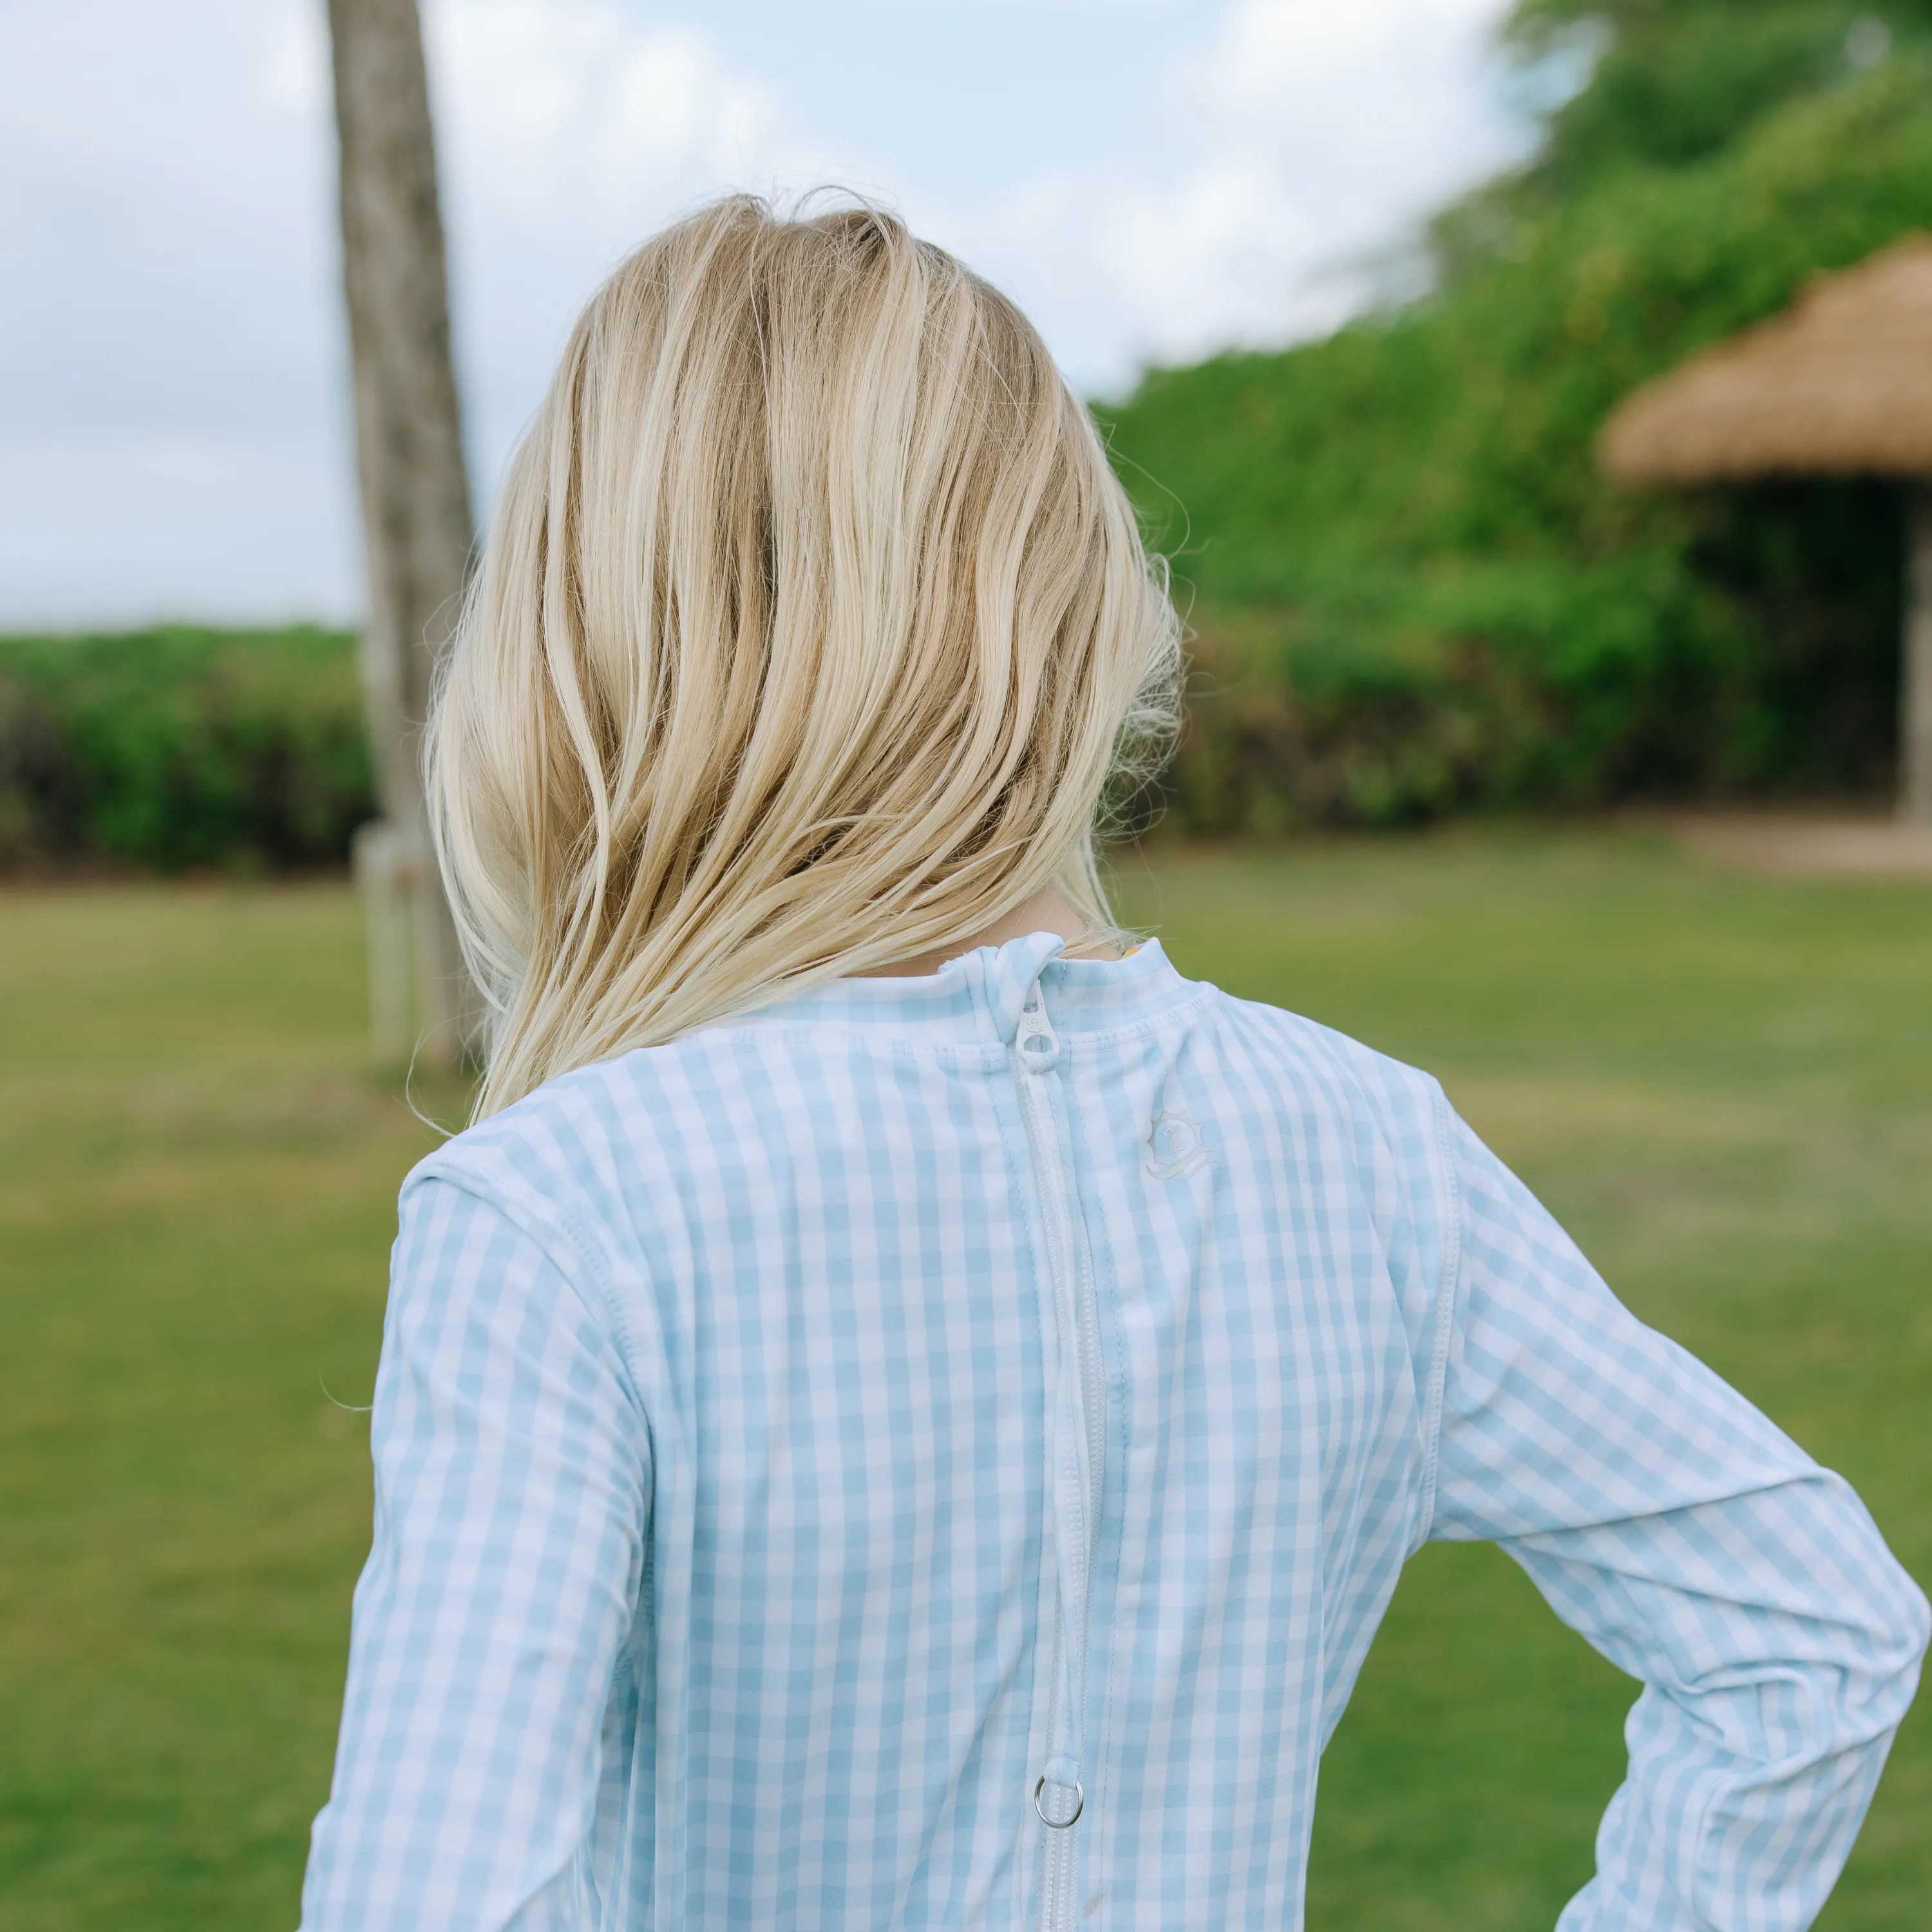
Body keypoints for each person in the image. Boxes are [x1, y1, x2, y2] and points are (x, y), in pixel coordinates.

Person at [299, 196, 1927, 1932]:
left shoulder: (563, 1216)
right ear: (1076, 609)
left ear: (591, 648)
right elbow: (1809, 1626)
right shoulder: (1371, 1152)